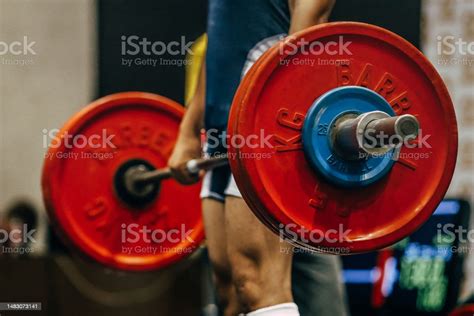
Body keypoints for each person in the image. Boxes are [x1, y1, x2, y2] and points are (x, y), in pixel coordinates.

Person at [169, 1, 347, 315]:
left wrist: (282, 116)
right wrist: (188, 129)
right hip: (221, 134)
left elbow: (312, 18)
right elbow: (219, 46)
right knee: (230, 290)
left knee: (259, 283)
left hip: (266, 130)